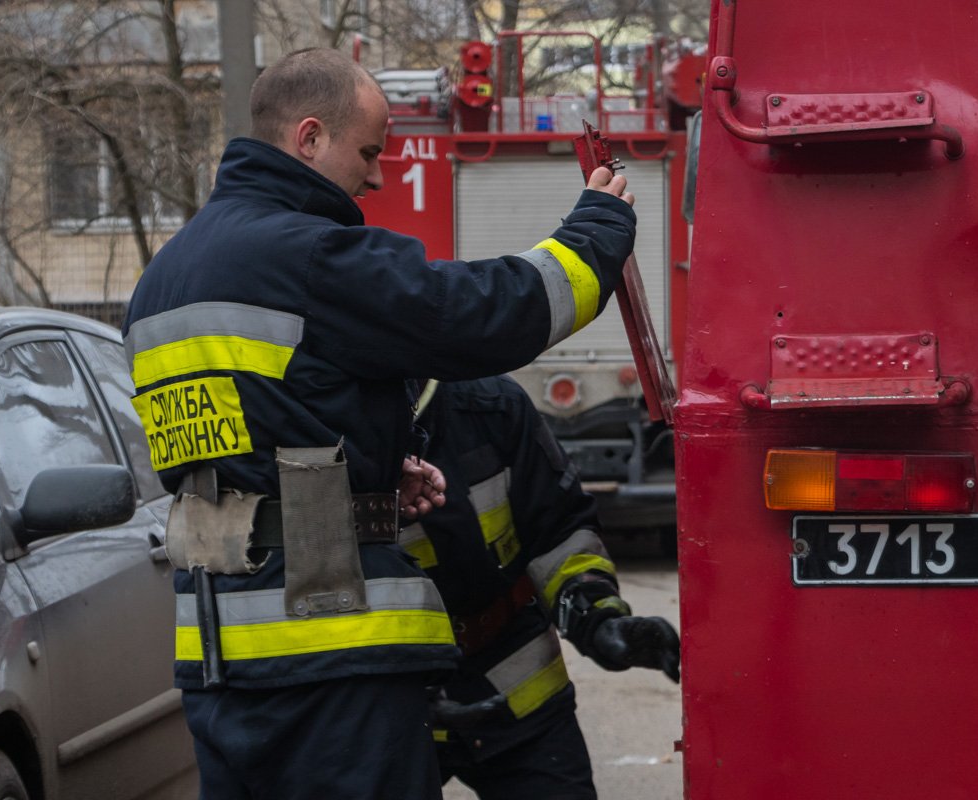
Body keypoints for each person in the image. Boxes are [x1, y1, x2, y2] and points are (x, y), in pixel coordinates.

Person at [121, 48, 636, 800]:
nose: (379, 175)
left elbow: (236, 445)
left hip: (219, 667)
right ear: (307, 138)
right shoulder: (303, 255)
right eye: (369, 150)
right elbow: (477, 316)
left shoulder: (160, 283)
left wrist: (370, 470)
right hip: (333, 658)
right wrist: (595, 234)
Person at [401, 376, 680, 800]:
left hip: (519, 690)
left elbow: (559, 531)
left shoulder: (492, 405)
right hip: (388, 715)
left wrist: (596, 618)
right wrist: (402, 689)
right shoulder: (317, 430)